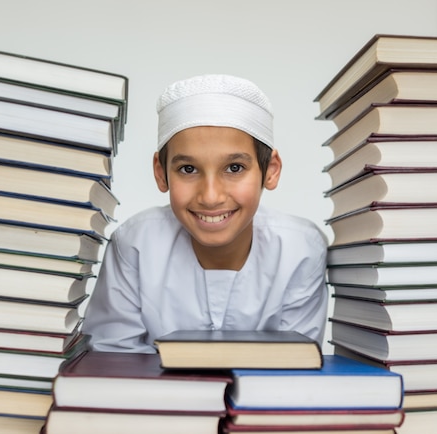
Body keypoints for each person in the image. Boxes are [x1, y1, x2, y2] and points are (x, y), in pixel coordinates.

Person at [82, 74, 329, 352]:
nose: (211, 197)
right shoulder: (135, 244)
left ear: (270, 170)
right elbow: (112, 361)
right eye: (188, 169)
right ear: (161, 173)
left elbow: (294, 367)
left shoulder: (300, 249)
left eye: (234, 168)